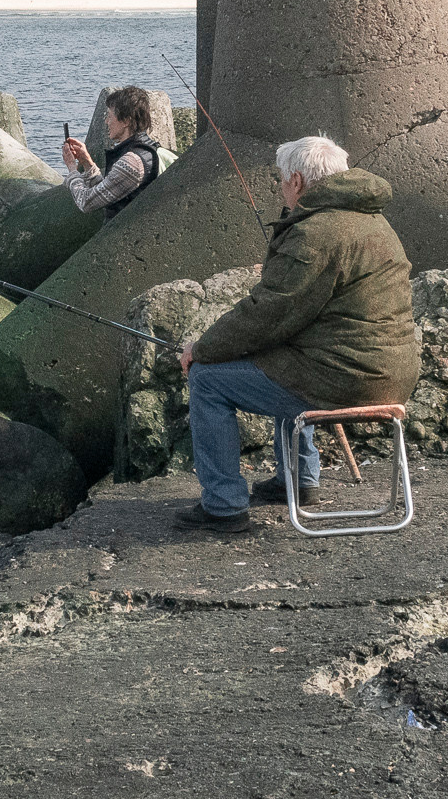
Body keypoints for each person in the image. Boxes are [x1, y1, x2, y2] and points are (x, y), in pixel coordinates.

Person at [174, 136, 418, 531]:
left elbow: (266, 315)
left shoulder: (316, 232)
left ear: (299, 181)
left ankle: (223, 506)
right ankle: (300, 480)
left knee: (207, 380)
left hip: (345, 379)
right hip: (393, 374)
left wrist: (200, 350)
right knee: (285, 359)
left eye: (282, 180)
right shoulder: (372, 219)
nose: (281, 188)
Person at [59, 86, 164, 221]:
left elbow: (86, 202)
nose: (106, 122)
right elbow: (108, 190)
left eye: (109, 116)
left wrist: (72, 170)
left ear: (126, 121)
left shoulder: (132, 161)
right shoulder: (145, 149)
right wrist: (87, 162)